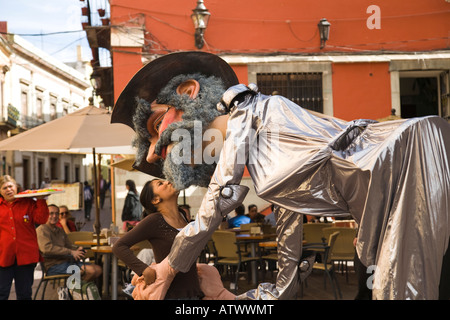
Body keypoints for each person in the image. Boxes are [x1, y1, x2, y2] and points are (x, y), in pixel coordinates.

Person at [111, 51, 450, 300]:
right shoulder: (263, 166)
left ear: (187, 92)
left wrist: (169, 268)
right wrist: (224, 298)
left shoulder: (251, 112)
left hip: (410, 158)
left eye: (156, 128)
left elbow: (214, 204)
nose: (155, 153)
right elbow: (283, 286)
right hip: (387, 199)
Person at [112, 179, 204, 300]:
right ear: (155, 200)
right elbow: (119, 246)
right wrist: (144, 270)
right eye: (160, 184)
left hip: (193, 291)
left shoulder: (182, 215)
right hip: (170, 294)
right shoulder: (154, 220)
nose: (167, 182)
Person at [0, 175, 49, 300]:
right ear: (0, 191)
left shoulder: (28, 203)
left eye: (10, 186)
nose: (8, 189)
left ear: (16, 187)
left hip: (26, 256)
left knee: (24, 294)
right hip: (3, 256)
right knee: (2, 293)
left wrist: (41, 200)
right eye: (4, 188)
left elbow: (42, 219)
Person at [36, 204, 102, 282]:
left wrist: (78, 249)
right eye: (51, 213)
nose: (54, 216)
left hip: (68, 262)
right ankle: (75, 290)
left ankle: (75, 290)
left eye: (57, 213)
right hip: (54, 266)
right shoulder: (41, 230)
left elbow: (68, 245)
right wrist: (71, 252)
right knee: (91, 271)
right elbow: (47, 249)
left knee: (98, 270)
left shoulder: (60, 230)